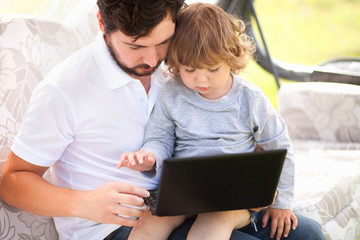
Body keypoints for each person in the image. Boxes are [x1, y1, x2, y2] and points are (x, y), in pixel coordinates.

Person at [118, 3, 325, 240]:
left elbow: (280, 147)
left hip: (233, 198)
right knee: (148, 226)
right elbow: (160, 137)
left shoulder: (250, 98)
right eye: (189, 69)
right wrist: (149, 155)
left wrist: (282, 202)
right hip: (182, 194)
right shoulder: (172, 93)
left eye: (212, 69)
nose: (200, 79)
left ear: (232, 58)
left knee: (211, 226)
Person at [0, 0, 188, 239]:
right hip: (112, 230)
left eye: (163, 42)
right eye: (135, 46)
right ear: (102, 23)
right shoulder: (64, 89)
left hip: (180, 211)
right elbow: (12, 182)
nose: (152, 60)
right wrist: (83, 203)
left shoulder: (176, 65)